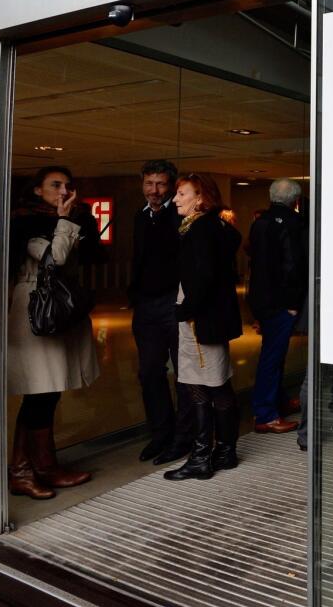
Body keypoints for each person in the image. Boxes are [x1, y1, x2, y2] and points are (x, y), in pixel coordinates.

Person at [7, 166, 101, 500]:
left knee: (46, 393)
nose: (63, 190)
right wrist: (65, 220)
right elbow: (55, 258)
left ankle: (36, 467)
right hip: (35, 311)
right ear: (37, 190)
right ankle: (29, 470)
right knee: (39, 393)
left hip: (56, 309)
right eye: (55, 185)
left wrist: (75, 220)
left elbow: (91, 257)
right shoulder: (25, 221)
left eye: (67, 185)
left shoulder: (67, 220)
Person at [163, 173, 244, 481]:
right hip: (214, 317)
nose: (175, 199)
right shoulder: (217, 226)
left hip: (201, 319)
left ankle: (200, 458)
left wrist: (184, 309)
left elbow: (204, 276)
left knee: (199, 385)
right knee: (218, 382)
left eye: (181, 193)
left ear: (199, 198)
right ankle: (225, 452)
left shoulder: (200, 229)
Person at [128, 159, 194, 464]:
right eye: (148, 184)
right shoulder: (140, 217)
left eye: (161, 184)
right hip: (146, 306)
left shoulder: (178, 215)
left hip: (174, 302)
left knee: (184, 373)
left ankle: (184, 438)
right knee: (149, 372)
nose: (154, 191)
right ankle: (161, 434)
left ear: (172, 186)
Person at [246, 178, 306, 435]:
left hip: (261, 298)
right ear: (296, 201)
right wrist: (292, 303)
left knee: (273, 354)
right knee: (272, 356)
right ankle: (266, 414)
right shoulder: (294, 224)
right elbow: (292, 266)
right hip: (281, 302)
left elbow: (256, 263)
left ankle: (277, 401)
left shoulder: (259, 222)